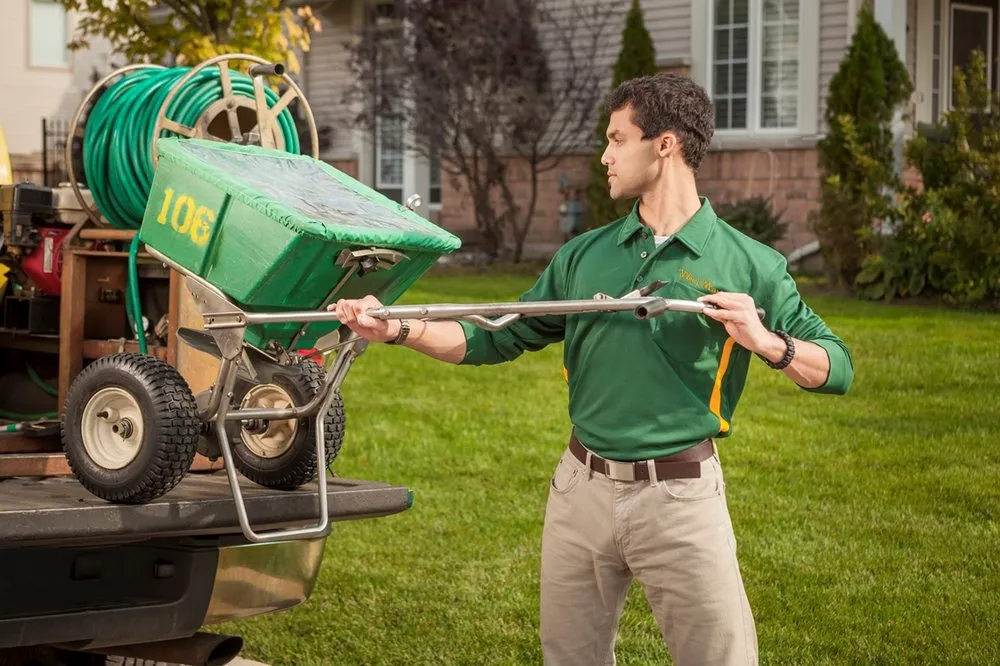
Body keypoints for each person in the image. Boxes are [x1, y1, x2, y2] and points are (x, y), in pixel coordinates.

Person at [331, 72, 854, 666]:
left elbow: (837, 366)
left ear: (665, 145)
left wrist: (766, 341)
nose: (604, 156)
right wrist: (397, 327)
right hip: (579, 491)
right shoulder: (583, 255)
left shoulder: (751, 264)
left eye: (616, 138)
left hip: (680, 500)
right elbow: (495, 335)